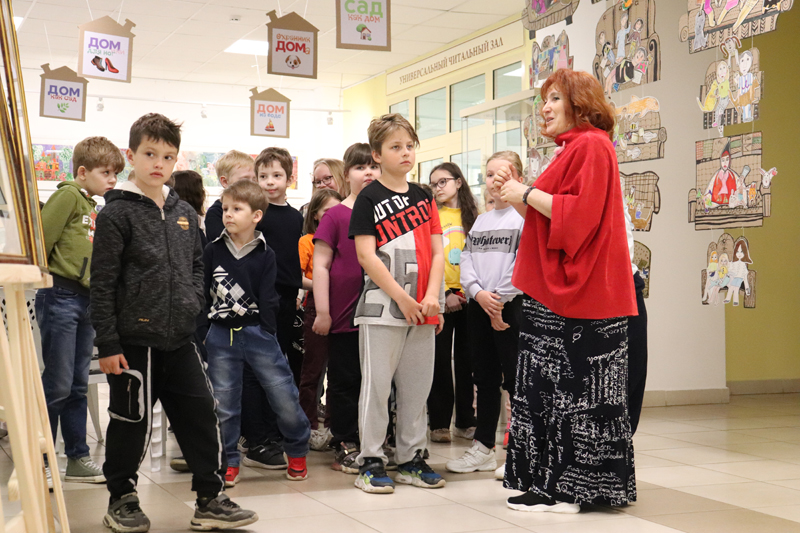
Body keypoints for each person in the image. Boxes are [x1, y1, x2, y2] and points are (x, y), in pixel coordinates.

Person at [91, 113, 257, 531]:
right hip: (133, 341)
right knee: (131, 421)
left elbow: (197, 264)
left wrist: (192, 302)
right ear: (131, 155)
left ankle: (210, 499)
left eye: (167, 156)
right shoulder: (116, 213)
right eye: (150, 154)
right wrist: (107, 343)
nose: (158, 163)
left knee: (201, 413)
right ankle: (122, 498)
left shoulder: (183, 211)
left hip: (181, 338)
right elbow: (103, 281)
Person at [493, 70, 637, 513]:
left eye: (555, 98)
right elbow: (547, 219)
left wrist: (525, 192)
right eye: (545, 99)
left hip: (582, 296)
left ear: (580, 102)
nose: (545, 107)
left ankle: (571, 490)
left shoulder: (592, 144)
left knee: (577, 396)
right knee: (547, 392)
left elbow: (580, 216)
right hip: (558, 295)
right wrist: (516, 194)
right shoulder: (572, 149)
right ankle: (549, 485)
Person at [349, 114, 446, 494]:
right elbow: (366, 256)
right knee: (376, 388)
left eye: (409, 146)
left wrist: (433, 296)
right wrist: (403, 299)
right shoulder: (368, 198)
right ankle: (370, 461)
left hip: (423, 308)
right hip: (382, 308)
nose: (405, 153)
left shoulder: (424, 197)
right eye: (395, 147)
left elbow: (438, 253)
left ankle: (411, 458)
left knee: (417, 389)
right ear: (377, 154)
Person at [204, 179, 311, 487]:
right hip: (220, 336)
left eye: (236, 209)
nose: (228, 214)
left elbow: (269, 298)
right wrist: (204, 331)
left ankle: (297, 450)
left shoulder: (266, 254)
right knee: (224, 402)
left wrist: (266, 330)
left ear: (256, 216)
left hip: (257, 333)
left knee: (283, 394)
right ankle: (229, 460)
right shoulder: (213, 250)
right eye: (225, 208)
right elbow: (203, 291)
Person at [38, 136, 123, 485]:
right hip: (60, 296)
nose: (113, 180)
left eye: (116, 174)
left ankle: (77, 457)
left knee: (77, 384)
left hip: (86, 301)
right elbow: (42, 239)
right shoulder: (68, 196)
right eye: (106, 173)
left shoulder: (92, 205)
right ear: (84, 172)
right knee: (57, 385)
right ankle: (41, 459)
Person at [445, 151, 525, 478]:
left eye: (502, 174)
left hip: (511, 307)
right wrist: (478, 293)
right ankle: (483, 448)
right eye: (489, 174)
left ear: (519, 179)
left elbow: (522, 264)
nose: (494, 181)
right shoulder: (481, 220)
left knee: (516, 380)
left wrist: (499, 299)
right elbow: (466, 259)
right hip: (479, 306)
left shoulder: (523, 218)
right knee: (484, 377)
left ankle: (520, 452)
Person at [312, 143, 380, 474]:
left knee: (377, 382)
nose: (368, 172)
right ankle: (345, 440)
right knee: (345, 380)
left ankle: (375, 440)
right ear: (346, 175)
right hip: (344, 315)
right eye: (359, 167)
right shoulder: (336, 215)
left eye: (373, 166)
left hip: (382, 315)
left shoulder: (387, 214)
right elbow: (321, 265)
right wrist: (323, 311)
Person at [238, 147, 304, 471]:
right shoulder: (254, 214)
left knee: (280, 366)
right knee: (256, 368)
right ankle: (256, 436)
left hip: (287, 299)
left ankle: (275, 431)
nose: (269, 182)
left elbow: (295, 261)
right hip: (259, 299)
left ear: (289, 178)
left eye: (277, 175)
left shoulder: (295, 217)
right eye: (263, 176)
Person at [427, 162, 479, 443]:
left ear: (458, 182)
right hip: (441, 298)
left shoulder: (475, 217)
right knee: (439, 363)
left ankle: (465, 421)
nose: (437, 188)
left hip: (471, 297)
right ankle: (439, 423)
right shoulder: (431, 215)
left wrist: (471, 292)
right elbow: (429, 258)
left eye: (442, 182)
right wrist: (445, 293)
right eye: (433, 184)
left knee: (467, 362)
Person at [168, 169, 210, 474]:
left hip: (192, 312)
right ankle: (192, 450)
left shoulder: (191, 225)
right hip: (188, 316)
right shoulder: (187, 225)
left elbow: (198, 272)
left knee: (195, 387)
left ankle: (198, 454)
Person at [298, 188, 343, 451]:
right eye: (327, 211)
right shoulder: (307, 241)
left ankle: (336, 428)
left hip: (344, 305)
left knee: (340, 372)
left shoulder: (348, 239)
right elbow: (298, 276)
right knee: (312, 371)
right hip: (316, 305)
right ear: (315, 214)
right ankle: (309, 426)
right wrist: (322, 283)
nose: (332, 216)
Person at [205, 150, 257, 242]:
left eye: (254, 179)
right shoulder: (216, 213)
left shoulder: (256, 207)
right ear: (225, 182)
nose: (251, 184)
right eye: (245, 180)